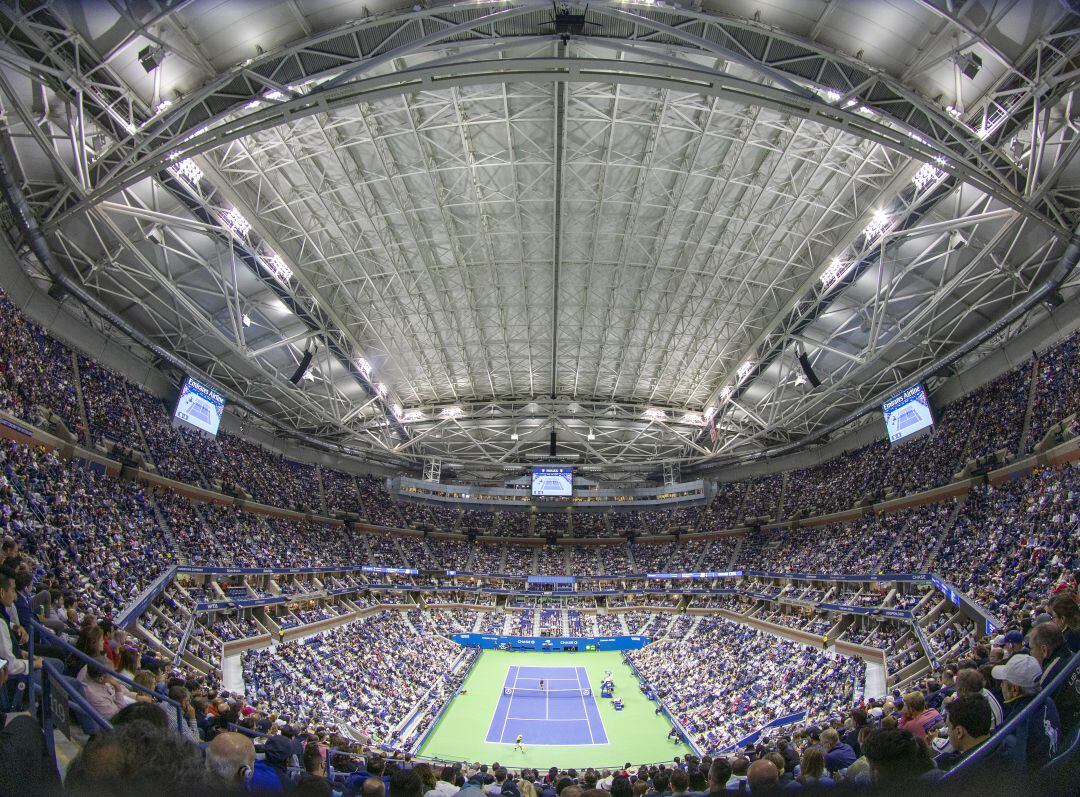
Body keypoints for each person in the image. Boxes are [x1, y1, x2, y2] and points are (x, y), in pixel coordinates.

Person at [992, 652, 1062, 769]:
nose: (1000, 686)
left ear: (1014, 689)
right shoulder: (1049, 701)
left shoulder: (1012, 727)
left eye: (1003, 682)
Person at [933, 694, 994, 772]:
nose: (948, 731)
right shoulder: (1008, 741)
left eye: (948, 727)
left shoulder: (956, 773)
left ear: (959, 732)